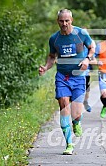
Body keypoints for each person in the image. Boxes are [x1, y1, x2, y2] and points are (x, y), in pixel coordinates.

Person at [38, 9, 95, 155]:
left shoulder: (81, 34)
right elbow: (52, 57)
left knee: (76, 113)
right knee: (64, 106)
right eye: (61, 21)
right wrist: (46, 67)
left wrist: (87, 59)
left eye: (67, 21)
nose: (64, 23)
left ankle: (76, 122)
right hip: (62, 77)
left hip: (78, 76)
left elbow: (92, 47)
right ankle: (69, 144)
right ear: (58, 21)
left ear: (72, 20)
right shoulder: (54, 39)